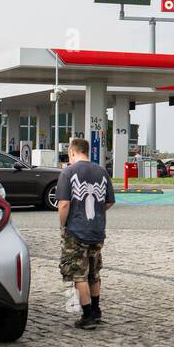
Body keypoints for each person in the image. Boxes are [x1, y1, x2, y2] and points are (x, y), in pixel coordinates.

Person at [56, 137, 115, 330]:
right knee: (94, 271)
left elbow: (64, 203)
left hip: (76, 231)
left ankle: (88, 315)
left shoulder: (68, 172)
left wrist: (63, 225)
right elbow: (109, 201)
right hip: (97, 231)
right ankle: (97, 310)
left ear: (72, 152)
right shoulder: (102, 171)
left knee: (79, 274)